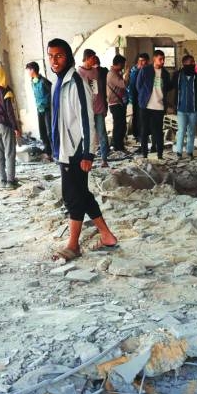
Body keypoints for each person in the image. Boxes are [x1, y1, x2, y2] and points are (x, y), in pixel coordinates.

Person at [45, 38, 117, 261]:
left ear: (68, 57)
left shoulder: (76, 82)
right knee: (82, 194)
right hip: (64, 150)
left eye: (59, 56)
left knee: (73, 197)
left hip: (75, 151)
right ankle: (107, 236)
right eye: (51, 56)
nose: (54, 60)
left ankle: (73, 245)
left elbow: (88, 119)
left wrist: (88, 153)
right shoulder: (58, 81)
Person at [136, 50, 171, 160]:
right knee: (144, 131)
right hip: (146, 106)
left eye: (163, 59)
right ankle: (145, 154)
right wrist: (144, 97)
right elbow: (138, 85)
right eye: (160, 59)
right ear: (154, 59)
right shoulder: (145, 70)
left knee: (158, 132)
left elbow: (166, 88)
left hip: (159, 107)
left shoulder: (165, 74)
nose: (162, 61)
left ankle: (160, 155)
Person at [77, 49, 108, 166]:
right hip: (86, 109)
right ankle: (87, 159)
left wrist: (104, 106)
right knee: (87, 135)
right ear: (86, 58)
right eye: (92, 58)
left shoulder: (95, 71)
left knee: (102, 134)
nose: (94, 60)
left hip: (99, 108)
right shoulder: (79, 72)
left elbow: (98, 89)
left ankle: (104, 159)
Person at [173, 54, 197, 159]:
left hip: (194, 109)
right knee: (181, 131)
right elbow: (173, 89)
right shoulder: (178, 76)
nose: (193, 64)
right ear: (184, 63)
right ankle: (178, 152)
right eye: (191, 62)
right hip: (181, 109)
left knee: (191, 131)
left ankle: (190, 152)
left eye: (193, 62)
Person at [26, 61, 52, 155]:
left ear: (33, 70)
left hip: (47, 109)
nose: (28, 72)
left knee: (50, 132)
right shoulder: (32, 82)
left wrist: (46, 102)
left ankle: (56, 153)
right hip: (39, 109)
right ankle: (48, 152)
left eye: (28, 70)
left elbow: (52, 92)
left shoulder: (43, 81)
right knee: (42, 132)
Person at [106, 54, 127, 154]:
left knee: (121, 125)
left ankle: (119, 145)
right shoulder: (112, 74)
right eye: (123, 64)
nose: (123, 66)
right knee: (119, 125)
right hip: (115, 103)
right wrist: (127, 74)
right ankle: (117, 146)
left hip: (119, 102)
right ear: (118, 64)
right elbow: (123, 84)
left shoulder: (116, 73)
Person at [127, 53, 149, 143]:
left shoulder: (148, 70)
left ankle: (143, 135)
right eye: (140, 60)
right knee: (137, 116)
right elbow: (132, 85)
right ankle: (138, 135)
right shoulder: (134, 70)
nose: (141, 62)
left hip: (144, 98)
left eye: (143, 60)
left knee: (143, 117)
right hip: (136, 97)